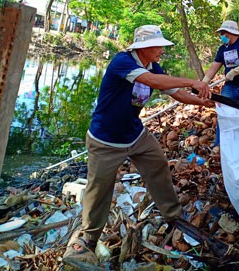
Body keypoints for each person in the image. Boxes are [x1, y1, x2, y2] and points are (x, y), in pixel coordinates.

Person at [63, 25, 214, 264]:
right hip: (106, 139)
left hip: (134, 134)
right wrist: (193, 81)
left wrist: (204, 103)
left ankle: (173, 215)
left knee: (158, 166)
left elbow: (175, 93)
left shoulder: (153, 66)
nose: (162, 52)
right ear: (143, 47)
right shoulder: (123, 62)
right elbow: (152, 81)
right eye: (159, 47)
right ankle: (89, 238)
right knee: (99, 188)